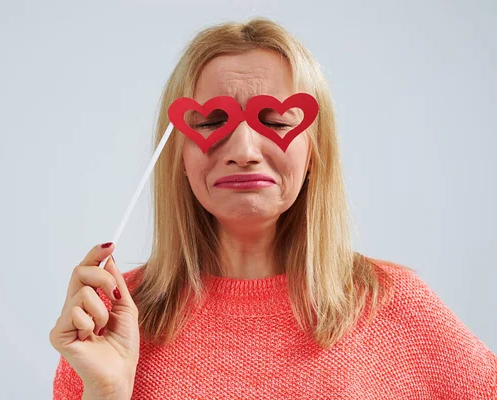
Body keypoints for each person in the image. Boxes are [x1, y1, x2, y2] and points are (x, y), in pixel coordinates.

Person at [49, 17, 497, 399]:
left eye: (277, 122)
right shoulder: (107, 319)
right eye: (211, 121)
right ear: (179, 156)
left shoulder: (396, 305)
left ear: (313, 155)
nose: (244, 149)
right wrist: (106, 394)